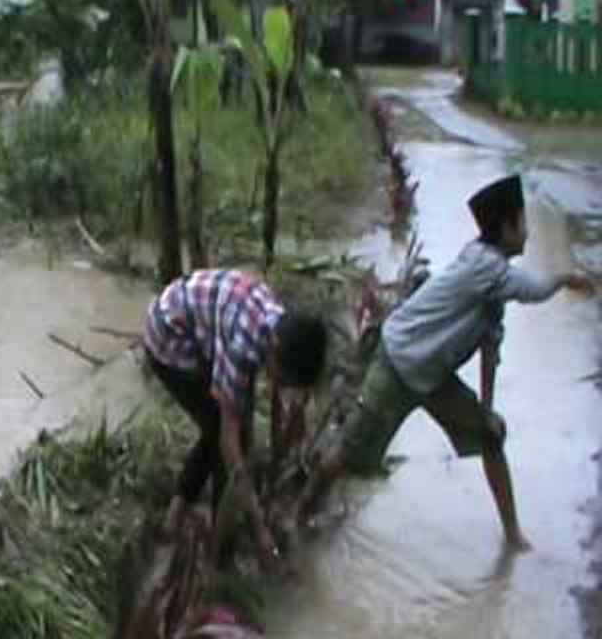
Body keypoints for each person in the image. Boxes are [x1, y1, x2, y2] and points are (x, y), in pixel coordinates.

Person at [295, 174, 595, 550]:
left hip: (433, 374)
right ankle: (301, 513)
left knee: (491, 436)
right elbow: (533, 291)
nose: (528, 233)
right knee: (350, 452)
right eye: (524, 223)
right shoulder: (488, 268)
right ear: (507, 228)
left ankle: (513, 536)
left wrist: (487, 410)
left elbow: (490, 351)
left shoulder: (493, 281)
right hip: (399, 363)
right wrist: (566, 277)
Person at [142, 269, 329, 569]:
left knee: (227, 429)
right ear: (276, 352)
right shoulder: (243, 346)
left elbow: (272, 398)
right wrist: (260, 531)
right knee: (223, 437)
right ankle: (219, 552)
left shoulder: (278, 324)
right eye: (282, 377)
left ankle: (173, 520)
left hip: (195, 323)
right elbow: (229, 443)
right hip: (168, 340)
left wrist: (283, 442)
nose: (279, 384)